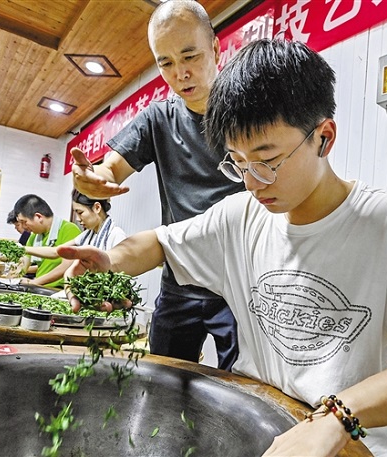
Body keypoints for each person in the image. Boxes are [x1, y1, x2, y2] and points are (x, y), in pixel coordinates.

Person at [59, 39, 387, 456]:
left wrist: (339, 415)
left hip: (355, 441)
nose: (254, 183)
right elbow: (158, 243)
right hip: (258, 422)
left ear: (323, 138)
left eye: (268, 161)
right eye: (238, 163)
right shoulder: (240, 215)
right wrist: (111, 261)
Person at [70, 0, 244, 371]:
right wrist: (94, 180)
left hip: (239, 281)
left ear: (215, 48)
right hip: (179, 277)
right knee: (162, 376)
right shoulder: (158, 118)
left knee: (244, 382)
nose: (180, 73)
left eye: (190, 56)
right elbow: (110, 169)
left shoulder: (249, 115)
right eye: (165, 63)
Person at [13, 194, 81, 288]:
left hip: (60, 290)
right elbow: (24, 264)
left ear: (38, 217)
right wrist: (12, 277)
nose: (24, 227)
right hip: (39, 288)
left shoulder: (69, 229)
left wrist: (35, 282)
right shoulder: (34, 237)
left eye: (24, 222)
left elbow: (67, 265)